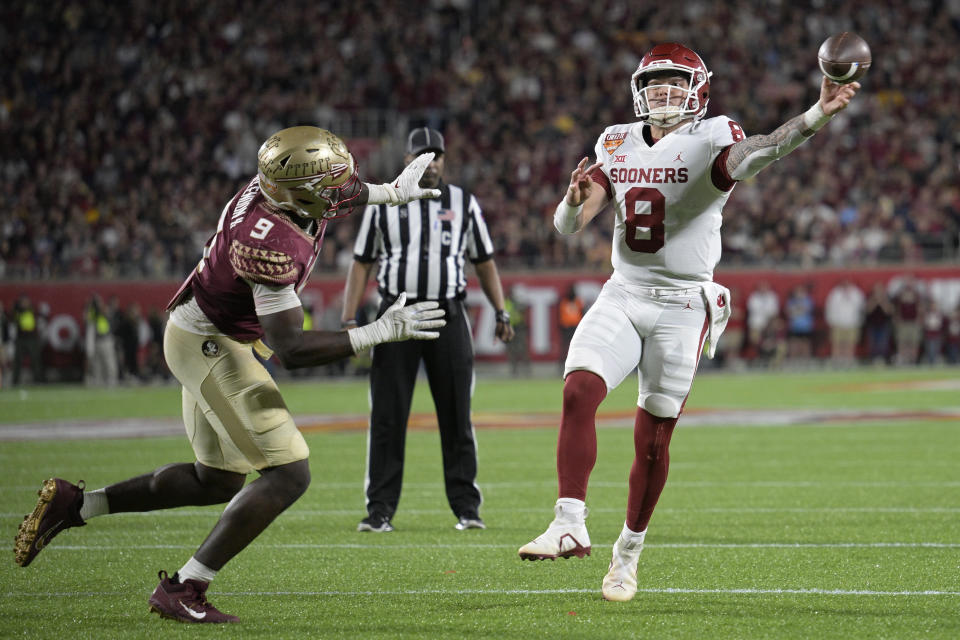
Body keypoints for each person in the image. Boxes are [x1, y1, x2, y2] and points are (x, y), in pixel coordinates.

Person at [13, 126, 447, 624]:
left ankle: (77, 506)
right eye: (333, 184)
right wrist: (376, 332)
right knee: (288, 473)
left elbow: (334, 192)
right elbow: (290, 347)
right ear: (302, 194)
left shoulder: (284, 191)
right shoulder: (268, 240)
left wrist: (390, 193)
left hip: (206, 331)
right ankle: (186, 587)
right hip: (212, 343)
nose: (346, 188)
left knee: (216, 481)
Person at [517, 42, 861, 602]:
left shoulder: (713, 134)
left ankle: (627, 553)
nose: (662, 92)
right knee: (579, 388)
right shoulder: (616, 140)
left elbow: (760, 153)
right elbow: (569, 227)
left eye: (675, 82)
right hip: (624, 291)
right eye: (654, 83)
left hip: (682, 304)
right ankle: (568, 522)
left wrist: (816, 114)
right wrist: (569, 200)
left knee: (653, 439)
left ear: (697, 89)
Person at [341, 127, 514, 533]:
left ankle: (466, 508)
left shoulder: (463, 202)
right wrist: (350, 320)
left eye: (437, 155)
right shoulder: (382, 202)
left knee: (457, 415)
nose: (431, 162)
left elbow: (484, 260)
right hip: (395, 317)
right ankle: (379, 510)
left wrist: (501, 311)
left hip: (448, 313)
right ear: (406, 161)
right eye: (423, 155)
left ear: (444, 161)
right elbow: (362, 262)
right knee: (387, 414)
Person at [824, 279, 865, 366]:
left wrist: (859, 321)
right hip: (838, 323)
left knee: (850, 343)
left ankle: (849, 361)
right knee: (837, 343)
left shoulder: (856, 293)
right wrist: (831, 321)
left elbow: (861, 308)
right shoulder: (835, 293)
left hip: (852, 323)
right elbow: (830, 307)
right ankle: (837, 361)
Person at [557, 284, 584, 370]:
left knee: (576, 348)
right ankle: (563, 366)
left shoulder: (577, 301)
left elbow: (582, 313)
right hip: (567, 328)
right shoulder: (564, 302)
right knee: (565, 348)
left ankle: (577, 365)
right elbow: (560, 315)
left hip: (576, 328)